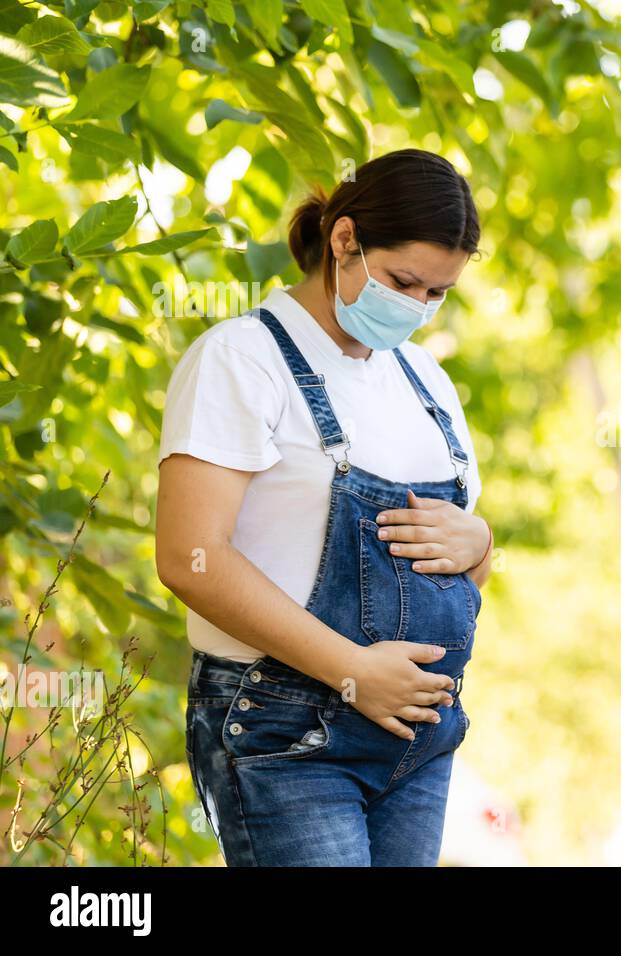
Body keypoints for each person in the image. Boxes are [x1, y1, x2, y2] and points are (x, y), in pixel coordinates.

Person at [155, 148, 492, 866]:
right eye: (405, 282)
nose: (419, 308)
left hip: (416, 734)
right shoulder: (241, 360)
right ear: (345, 239)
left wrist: (481, 545)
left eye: (438, 294)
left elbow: (453, 574)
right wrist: (351, 669)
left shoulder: (426, 382)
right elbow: (191, 558)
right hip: (286, 728)